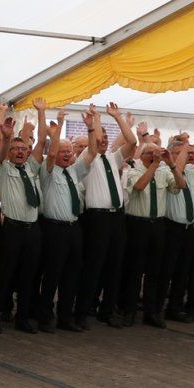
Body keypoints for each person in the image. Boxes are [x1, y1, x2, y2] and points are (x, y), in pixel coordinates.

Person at [0, 101, 46, 334]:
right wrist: (6, 135)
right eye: (16, 149)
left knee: (28, 276)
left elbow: (41, 141)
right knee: (5, 274)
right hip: (12, 229)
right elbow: (0, 145)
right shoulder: (3, 168)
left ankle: (22, 318)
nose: (20, 152)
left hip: (32, 229)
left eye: (23, 149)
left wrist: (42, 112)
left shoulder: (32, 167)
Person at [78, 104, 137, 327]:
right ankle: (82, 311)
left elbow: (132, 142)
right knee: (93, 266)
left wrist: (118, 117)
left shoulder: (112, 158)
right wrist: (95, 123)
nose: (103, 141)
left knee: (115, 266)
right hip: (97, 219)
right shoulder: (87, 157)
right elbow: (93, 146)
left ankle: (107, 310)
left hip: (116, 218)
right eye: (99, 138)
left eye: (105, 138)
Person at [38, 120, 90, 332]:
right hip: (54, 228)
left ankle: (65, 317)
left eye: (69, 151)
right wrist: (57, 130)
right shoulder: (48, 171)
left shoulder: (74, 171)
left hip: (74, 228)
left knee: (72, 274)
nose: (67, 154)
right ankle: (44, 317)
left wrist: (92, 127)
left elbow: (91, 153)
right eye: (63, 151)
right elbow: (50, 155)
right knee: (53, 274)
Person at [120, 137, 177, 328]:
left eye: (157, 152)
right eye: (151, 153)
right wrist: (154, 165)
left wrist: (171, 164)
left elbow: (181, 186)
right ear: (142, 155)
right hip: (137, 225)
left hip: (158, 225)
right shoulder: (133, 170)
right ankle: (128, 311)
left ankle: (150, 312)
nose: (155, 156)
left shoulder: (164, 171)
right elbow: (139, 186)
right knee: (134, 270)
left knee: (155, 271)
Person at [160, 135, 194, 324]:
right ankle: (157, 308)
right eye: (179, 153)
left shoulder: (192, 172)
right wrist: (185, 147)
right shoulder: (165, 170)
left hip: (188, 227)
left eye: (185, 153)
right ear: (169, 154)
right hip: (171, 227)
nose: (184, 156)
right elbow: (176, 169)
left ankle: (175, 307)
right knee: (166, 270)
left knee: (183, 271)